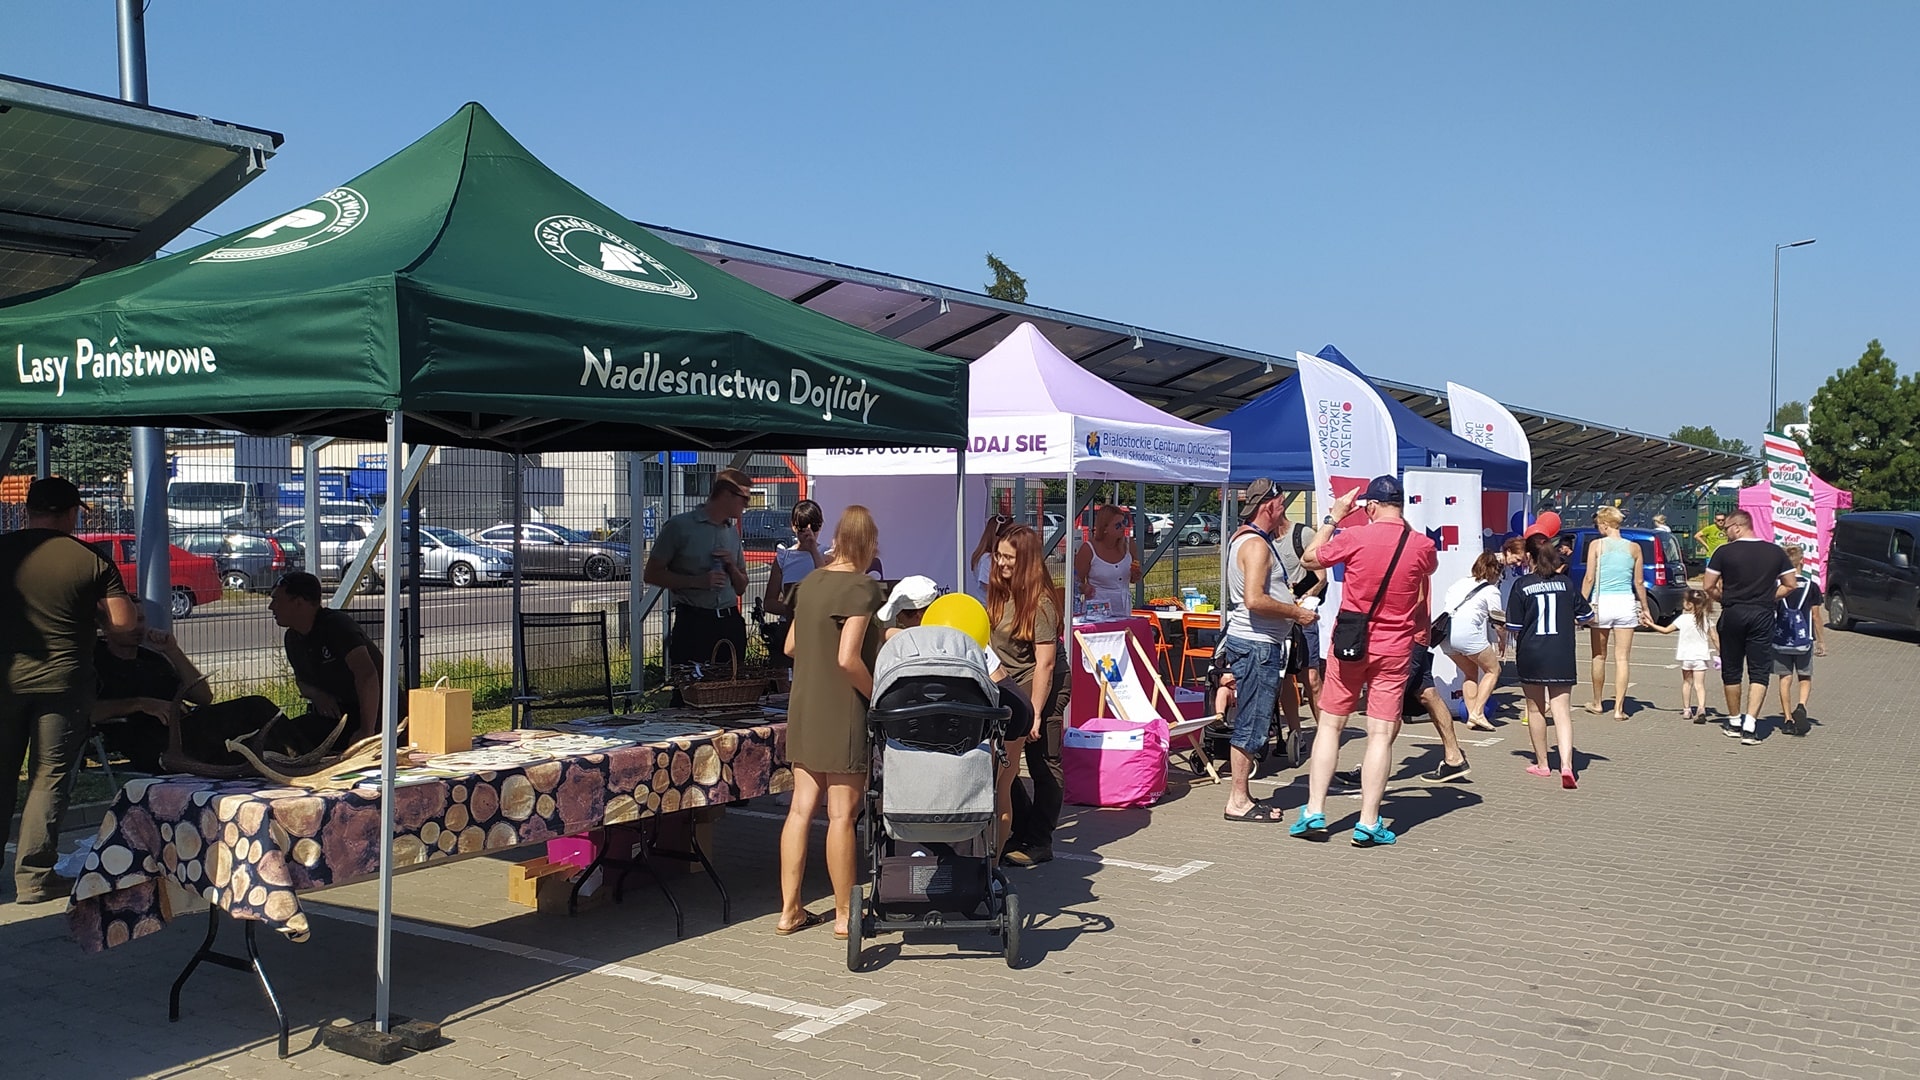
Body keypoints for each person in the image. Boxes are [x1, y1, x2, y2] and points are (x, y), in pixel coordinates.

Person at [0, 477, 139, 903]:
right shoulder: (91, 560)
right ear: (71, 512)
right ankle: (34, 878)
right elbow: (124, 626)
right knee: (49, 776)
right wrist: (95, 617)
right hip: (63, 682)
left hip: (4, 679)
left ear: (28, 511)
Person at [1292, 475, 1439, 848]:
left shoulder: (1355, 537)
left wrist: (1334, 517)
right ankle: (1369, 821)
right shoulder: (1421, 545)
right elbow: (1428, 570)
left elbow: (1309, 558)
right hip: (1395, 648)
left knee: (1330, 726)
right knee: (1380, 735)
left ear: (1370, 506)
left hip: (1350, 644)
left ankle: (1314, 811)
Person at [777, 506, 885, 940]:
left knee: (800, 809)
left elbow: (789, 647)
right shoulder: (863, 587)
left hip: (805, 705)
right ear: (867, 543)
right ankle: (844, 915)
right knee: (841, 815)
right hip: (844, 710)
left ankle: (789, 910)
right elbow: (848, 658)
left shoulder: (809, 584)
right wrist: (877, 694)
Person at [1216, 478, 1318, 823]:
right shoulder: (1256, 545)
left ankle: (1241, 795)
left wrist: (1289, 598)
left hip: (1258, 642)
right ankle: (1238, 800)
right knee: (1253, 723)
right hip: (1257, 644)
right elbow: (1254, 600)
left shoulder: (1244, 538)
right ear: (1268, 506)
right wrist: (1296, 613)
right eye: (1281, 504)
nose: (1283, 511)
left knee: (1254, 720)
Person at [987, 524, 1068, 866]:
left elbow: (1045, 664)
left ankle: (1039, 840)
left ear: (1026, 561)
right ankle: (1018, 828)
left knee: (1043, 762)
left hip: (1042, 685)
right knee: (1003, 762)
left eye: (1009, 558)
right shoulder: (1000, 591)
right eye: (999, 555)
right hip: (1008, 686)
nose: (1002, 563)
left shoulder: (1042, 602)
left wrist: (1035, 713)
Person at [644, 468, 752, 670]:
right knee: (691, 684)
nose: (746, 505)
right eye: (744, 499)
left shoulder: (731, 531)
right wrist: (698, 582)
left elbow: (741, 587)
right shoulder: (679, 527)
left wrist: (731, 566)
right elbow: (651, 574)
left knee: (732, 683)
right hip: (694, 623)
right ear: (726, 495)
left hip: (730, 621)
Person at [1507, 534, 1593, 787]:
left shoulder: (1522, 585)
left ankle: (1543, 764)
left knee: (1535, 709)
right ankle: (1567, 765)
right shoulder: (1566, 583)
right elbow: (1587, 615)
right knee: (1562, 711)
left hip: (1532, 652)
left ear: (1529, 556)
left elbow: (1514, 625)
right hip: (1561, 651)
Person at [1704, 510, 1796, 745]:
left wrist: (1724, 598)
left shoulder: (1723, 552)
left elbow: (1708, 586)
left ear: (1737, 526)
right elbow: (1790, 585)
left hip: (1733, 612)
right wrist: (1769, 597)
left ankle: (1734, 721)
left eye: (1726, 528)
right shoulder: (1775, 551)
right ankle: (1750, 724)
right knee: (1759, 670)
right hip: (1762, 614)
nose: (1725, 532)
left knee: (1731, 669)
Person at [91, 597, 215, 772]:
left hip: (183, 726)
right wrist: (140, 704)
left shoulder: (153, 659)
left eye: (140, 620)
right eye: (128, 622)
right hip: (141, 736)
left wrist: (173, 651)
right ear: (105, 626)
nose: (137, 627)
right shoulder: (94, 663)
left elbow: (204, 697)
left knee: (251, 707)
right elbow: (83, 712)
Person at [268, 572, 383, 746]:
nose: (271, 607)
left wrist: (366, 731)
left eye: (277, 600)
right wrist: (317, 695)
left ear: (299, 602)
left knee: (294, 739)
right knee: (282, 735)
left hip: (373, 719)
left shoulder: (336, 626)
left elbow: (367, 674)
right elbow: (302, 682)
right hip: (336, 718)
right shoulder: (293, 637)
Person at [1581, 507, 1651, 721]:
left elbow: (1589, 578)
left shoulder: (1596, 545)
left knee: (1598, 655)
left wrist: (1580, 604)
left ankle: (1597, 702)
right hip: (1625, 603)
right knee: (1622, 658)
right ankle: (1619, 709)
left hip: (1602, 602)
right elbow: (1639, 581)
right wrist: (1645, 608)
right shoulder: (1634, 548)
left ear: (1605, 524)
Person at [1439, 552, 1507, 732]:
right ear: (1495, 572)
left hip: (1445, 635)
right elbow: (1498, 622)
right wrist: (1502, 641)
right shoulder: (1491, 590)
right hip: (1467, 633)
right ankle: (1478, 712)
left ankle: (1471, 716)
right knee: (1493, 670)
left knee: (1470, 673)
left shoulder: (1458, 584)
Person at [761, 499, 826, 666]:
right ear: (793, 526)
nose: (808, 533)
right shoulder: (785, 557)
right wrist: (792, 608)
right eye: (803, 527)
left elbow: (827, 584)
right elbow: (769, 603)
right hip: (790, 629)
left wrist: (813, 550)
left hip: (819, 629)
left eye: (814, 527)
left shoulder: (827, 554)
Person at [1772, 544, 1826, 736]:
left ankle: (1787, 719)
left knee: (1785, 678)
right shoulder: (1811, 586)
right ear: (1801, 561)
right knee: (1804, 676)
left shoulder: (1777, 587)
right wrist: (1821, 641)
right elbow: (1816, 616)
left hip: (1781, 639)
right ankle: (1801, 705)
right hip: (1804, 640)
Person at [1645, 588, 1718, 721]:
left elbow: (1666, 630)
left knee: (1686, 683)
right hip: (1700, 658)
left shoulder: (1683, 619)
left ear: (1689, 604)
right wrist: (1721, 652)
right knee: (1699, 685)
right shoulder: (1706, 620)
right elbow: (1714, 637)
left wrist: (1650, 624)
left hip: (1686, 657)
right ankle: (1701, 708)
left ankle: (1686, 710)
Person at [1074, 504, 1141, 619]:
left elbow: (1134, 577)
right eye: (1117, 525)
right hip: (1097, 611)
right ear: (1105, 528)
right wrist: (1085, 588)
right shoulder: (1089, 549)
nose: (1123, 527)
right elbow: (1075, 581)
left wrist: (1136, 575)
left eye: (1124, 522)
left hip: (1123, 609)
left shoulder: (1129, 545)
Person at [879, 575, 941, 640]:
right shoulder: (944, 628)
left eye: (897, 614)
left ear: (919, 615)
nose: (898, 620)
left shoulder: (926, 638)